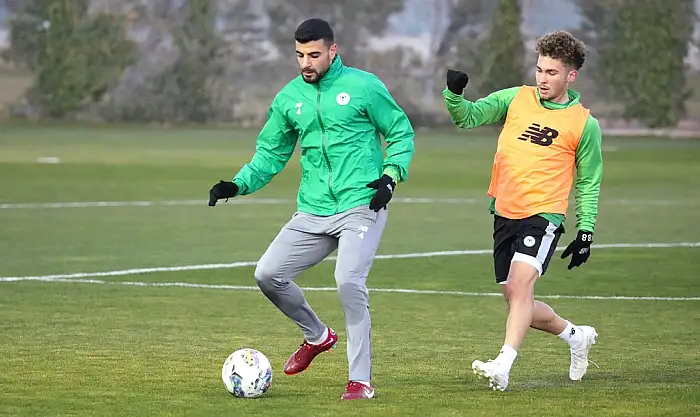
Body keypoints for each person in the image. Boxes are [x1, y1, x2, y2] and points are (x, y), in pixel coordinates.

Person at [208, 18, 415, 400]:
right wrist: (237, 184)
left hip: (361, 203)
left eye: (314, 54)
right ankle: (318, 336)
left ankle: (360, 381)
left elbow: (400, 132)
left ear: (333, 51)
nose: (306, 62)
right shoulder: (289, 98)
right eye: (300, 55)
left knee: (348, 281)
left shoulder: (364, 86)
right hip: (313, 209)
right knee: (268, 274)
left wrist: (390, 177)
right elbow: (270, 154)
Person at [441, 30, 602, 391]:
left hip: (544, 214)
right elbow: (468, 117)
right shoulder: (516, 98)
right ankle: (576, 336)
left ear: (571, 75)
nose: (543, 78)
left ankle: (503, 365)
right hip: (504, 212)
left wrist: (586, 230)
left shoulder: (584, 124)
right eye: (540, 70)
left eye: (552, 72)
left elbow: (589, 181)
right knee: (517, 300)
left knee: (519, 286)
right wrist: (454, 94)